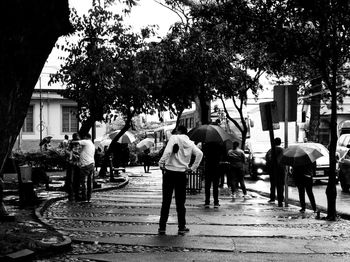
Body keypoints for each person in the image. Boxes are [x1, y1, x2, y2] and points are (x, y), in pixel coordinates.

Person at [158, 125, 203, 235]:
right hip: (182, 174)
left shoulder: (174, 138)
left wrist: (161, 162)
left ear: (178, 131)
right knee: (180, 202)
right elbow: (200, 154)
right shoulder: (190, 143)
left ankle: (162, 227)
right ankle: (181, 227)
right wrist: (192, 168)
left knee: (166, 201)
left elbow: (168, 151)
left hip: (169, 173)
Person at [265, 137, 286, 207]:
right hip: (281, 170)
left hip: (272, 170)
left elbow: (267, 159)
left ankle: (272, 198)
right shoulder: (283, 150)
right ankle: (280, 200)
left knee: (273, 184)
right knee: (280, 185)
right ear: (280, 142)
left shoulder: (270, 150)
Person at [74, 133, 95, 202]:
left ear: (86, 137)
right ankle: (89, 197)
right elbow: (85, 153)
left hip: (85, 165)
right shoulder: (92, 144)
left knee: (84, 182)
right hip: (91, 164)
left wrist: (70, 142)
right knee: (89, 182)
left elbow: (76, 142)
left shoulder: (87, 142)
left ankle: (84, 198)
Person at [203, 142, 224, 208]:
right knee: (215, 186)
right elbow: (222, 155)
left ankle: (207, 202)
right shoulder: (219, 145)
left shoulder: (206, 145)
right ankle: (216, 202)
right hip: (216, 167)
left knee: (207, 186)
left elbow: (204, 154)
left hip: (208, 167)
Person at [65, 133, 81, 201]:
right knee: (70, 180)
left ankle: (77, 194)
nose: (77, 141)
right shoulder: (70, 143)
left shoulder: (80, 143)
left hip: (78, 164)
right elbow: (67, 151)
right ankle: (71, 195)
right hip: (71, 163)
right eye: (76, 139)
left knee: (77, 179)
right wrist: (73, 154)